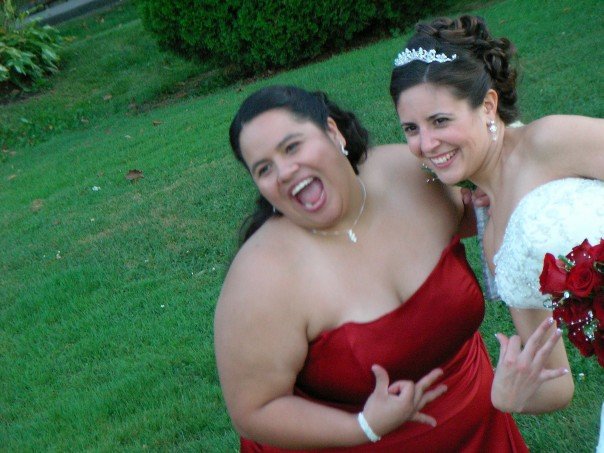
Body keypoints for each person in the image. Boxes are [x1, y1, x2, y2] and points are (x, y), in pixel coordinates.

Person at [214, 85, 567, 451]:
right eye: (264, 168)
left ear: (333, 133)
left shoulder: (407, 172)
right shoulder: (260, 278)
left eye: (292, 147)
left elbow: (472, 212)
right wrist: (363, 427)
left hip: (480, 428)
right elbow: (255, 409)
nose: (285, 172)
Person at [389, 15, 604, 416]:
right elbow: (555, 383)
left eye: (440, 121)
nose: (426, 144)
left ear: (488, 105)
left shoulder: (547, 142)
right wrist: (505, 397)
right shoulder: (495, 246)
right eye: (411, 128)